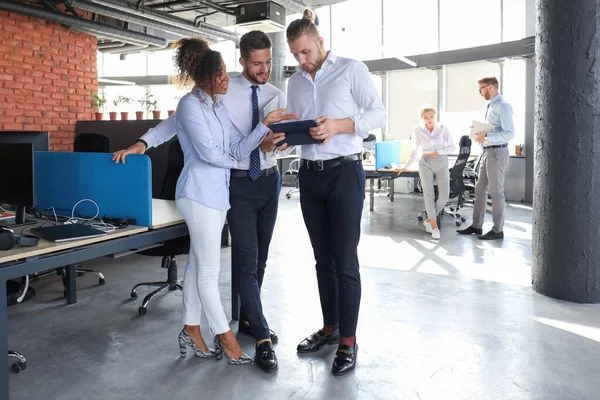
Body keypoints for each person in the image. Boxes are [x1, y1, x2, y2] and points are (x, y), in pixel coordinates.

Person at [112, 32, 296, 372]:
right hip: (199, 195)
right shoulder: (190, 105)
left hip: (218, 195)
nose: (227, 79)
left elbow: (239, 147)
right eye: (222, 74)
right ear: (207, 77)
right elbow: (215, 154)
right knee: (210, 273)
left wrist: (260, 133)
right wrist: (142, 143)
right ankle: (225, 338)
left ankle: (190, 329)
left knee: (198, 267)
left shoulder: (215, 106)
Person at [274, 9, 387, 376]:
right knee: (322, 259)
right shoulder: (296, 83)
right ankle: (329, 326)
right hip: (310, 176)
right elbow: (300, 129)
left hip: (345, 174)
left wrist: (339, 125)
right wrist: (283, 138)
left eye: (306, 52)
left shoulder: (352, 70)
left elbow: (378, 115)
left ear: (321, 42)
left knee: (344, 260)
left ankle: (349, 341)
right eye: (295, 55)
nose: (301, 61)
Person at [457, 76, 514, 240]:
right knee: (479, 190)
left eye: (481, 89)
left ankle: (498, 230)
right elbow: (493, 129)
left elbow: (509, 133)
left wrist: (487, 135)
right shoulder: (490, 106)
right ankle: (476, 226)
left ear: (490, 87)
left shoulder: (503, 106)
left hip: (497, 152)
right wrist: (479, 132)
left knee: (496, 192)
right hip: (487, 152)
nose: (480, 92)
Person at [398, 104, 455, 240]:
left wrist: (439, 152)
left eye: (431, 117)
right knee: (428, 195)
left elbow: (452, 147)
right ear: (422, 118)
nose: (429, 119)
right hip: (425, 163)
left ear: (435, 116)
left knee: (444, 196)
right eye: (426, 117)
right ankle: (434, 227)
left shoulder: (443, 128)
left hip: (441, 162)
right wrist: (406, 166)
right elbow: (415, 150)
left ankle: (429, 219)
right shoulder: (418, 130)